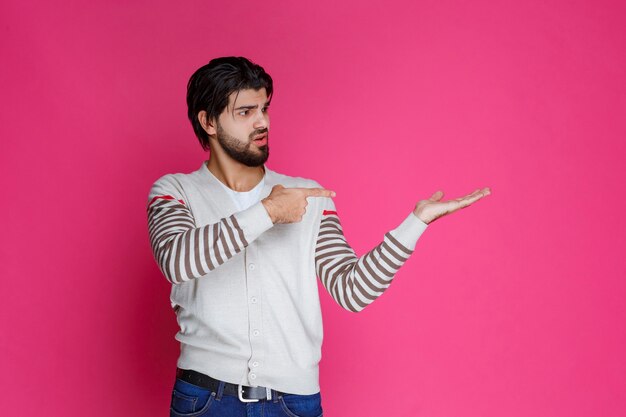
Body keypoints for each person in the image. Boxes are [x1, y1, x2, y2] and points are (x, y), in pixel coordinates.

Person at [146, 56, 491, 417]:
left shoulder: (306, 195)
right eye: (245, 112)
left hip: (293, 402)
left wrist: (415, 224)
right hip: (206, 398)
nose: (262, 121)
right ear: (209, 122)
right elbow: (177, 260)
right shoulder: (174, 191)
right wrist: (268, 211)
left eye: (265, 108)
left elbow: (352, 290)